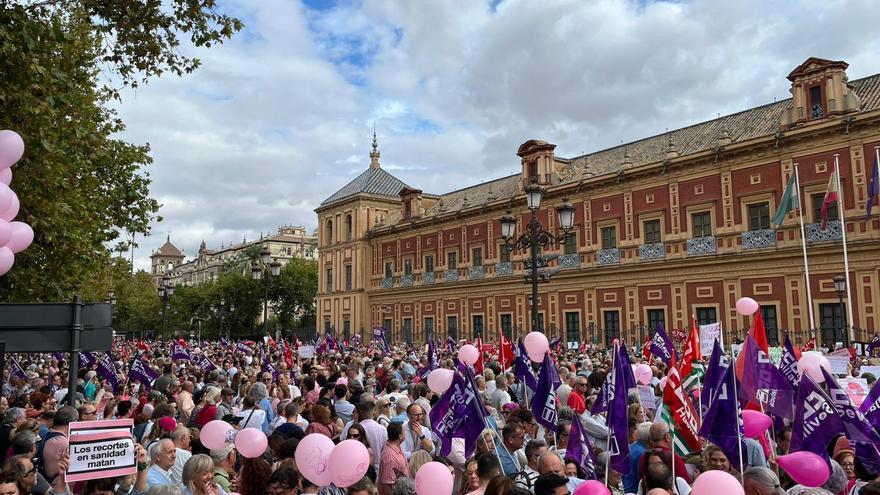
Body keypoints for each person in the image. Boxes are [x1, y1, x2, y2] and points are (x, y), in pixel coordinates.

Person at [378, 422, 409, 495]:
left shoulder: (397, 447)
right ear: (400, 436)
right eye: (404, 431)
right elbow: (387, 486)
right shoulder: (390, 457)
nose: (405, 433)